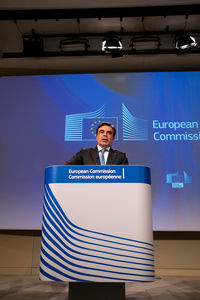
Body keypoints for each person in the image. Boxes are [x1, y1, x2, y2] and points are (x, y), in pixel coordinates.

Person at [64, 122, 128, 165]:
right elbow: (65, 168)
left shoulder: (121, 157)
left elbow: (127, 178)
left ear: (113, 138)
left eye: (109, 133)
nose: (105, 135)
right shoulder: (84, 153)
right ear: (97, 136)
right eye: (101, 132)